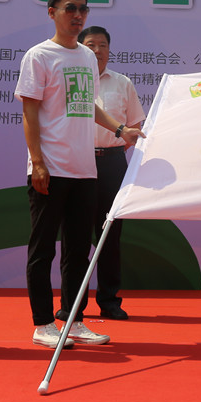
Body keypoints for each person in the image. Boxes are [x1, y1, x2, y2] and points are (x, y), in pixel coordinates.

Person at [17, 0, 144, 348]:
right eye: (70, 8)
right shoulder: (39, 56)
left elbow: (88, 105)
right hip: (50, 168)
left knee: (78, 251)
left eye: (83, 9)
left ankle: (72, 321)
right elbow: (29, 112)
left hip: (84, 169)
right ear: (52, 12)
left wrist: (121, 130)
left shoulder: (87, 57)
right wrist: (37, 162)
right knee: (43, 249)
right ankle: (43, 323)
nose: (77, 15)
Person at [53, 25, 145, 322]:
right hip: (77, 162)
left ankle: (109, 300)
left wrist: (112, 151)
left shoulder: (122, 83)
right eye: (91, 44)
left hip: (112, 163)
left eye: (103, 45)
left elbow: (135, 126)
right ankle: (72, 305)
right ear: (81, 48)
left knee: (109, 235)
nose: (97, 50)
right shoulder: (70, 79)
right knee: (74, 237)